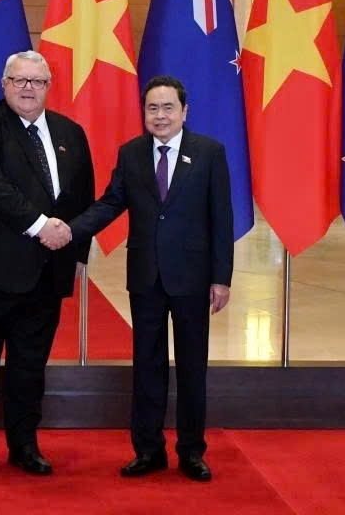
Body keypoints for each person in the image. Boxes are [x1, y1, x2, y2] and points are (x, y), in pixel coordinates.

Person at [63, 75, 232, 482]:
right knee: (147, 365)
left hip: (192, 279)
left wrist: (221, 277)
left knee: (193, 367)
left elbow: (221, 219)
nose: (159, 115)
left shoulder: (209, 153)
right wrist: (70, 229)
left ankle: (191, 451)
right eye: (152, 108)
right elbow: (110, 204)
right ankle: (148, 450)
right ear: (144, 113)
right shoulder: (132, 153)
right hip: (145, 277)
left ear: (184, 111)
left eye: (167, 107)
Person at [0, 50, 95, 479]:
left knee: (31, 364)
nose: (28, 88)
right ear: (4, 85)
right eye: (19, 80)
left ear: (49, 87)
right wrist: (39, 226)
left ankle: (24, 444)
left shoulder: (71, 131)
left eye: (37, 81)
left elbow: (82, 195)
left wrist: (76, 253)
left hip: (48, 271)